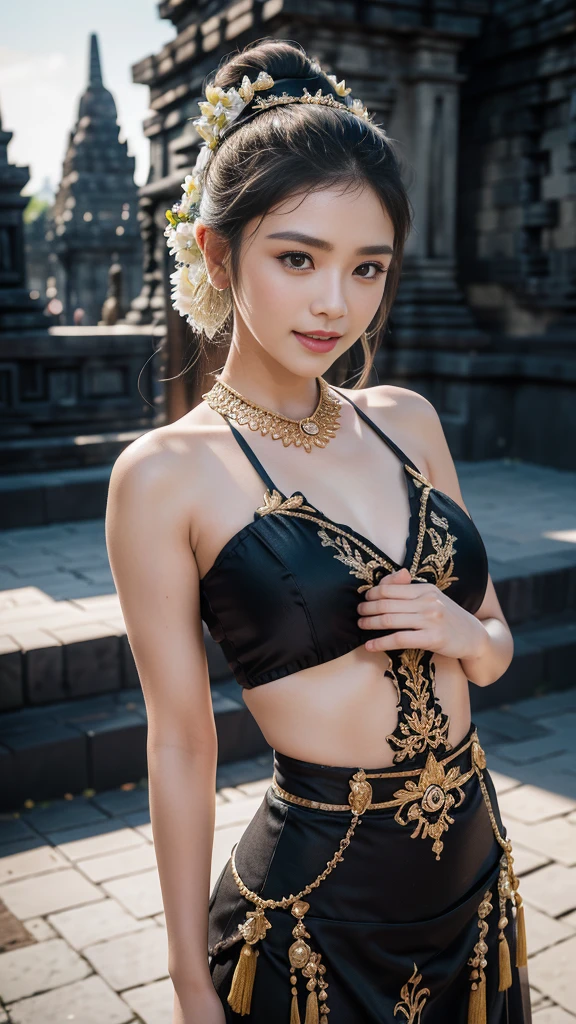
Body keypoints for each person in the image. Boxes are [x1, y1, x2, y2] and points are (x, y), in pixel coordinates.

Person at [105, 38, 532, 1024]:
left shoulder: (408, 420)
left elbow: (497, 650)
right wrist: (185, 986)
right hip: (316, 914)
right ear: (218, 253)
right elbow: (180, 744)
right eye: (298, 258)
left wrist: (462, 631)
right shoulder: (167, 475)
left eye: (367, 266)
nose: (335, 302)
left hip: (474, 870)